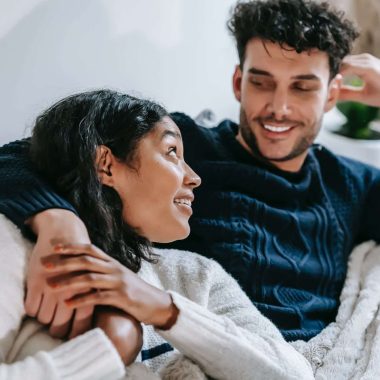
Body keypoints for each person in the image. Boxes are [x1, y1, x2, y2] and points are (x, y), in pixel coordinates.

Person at [0, 0, 380, 345]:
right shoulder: (182, 149)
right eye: (261, 83)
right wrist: (60, 224)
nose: (278, 107)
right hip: (200, 349)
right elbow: (20, 157)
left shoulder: (352, 184)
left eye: (302, 88)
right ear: (238, 82)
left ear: (331, 95)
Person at [0, 90, 313, 379]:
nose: (194, 178)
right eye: (172, 152)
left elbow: (295, 375)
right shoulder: (20, 257)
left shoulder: (194, 276)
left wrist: (164, 310)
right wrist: (109, 347)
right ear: (106, 166)